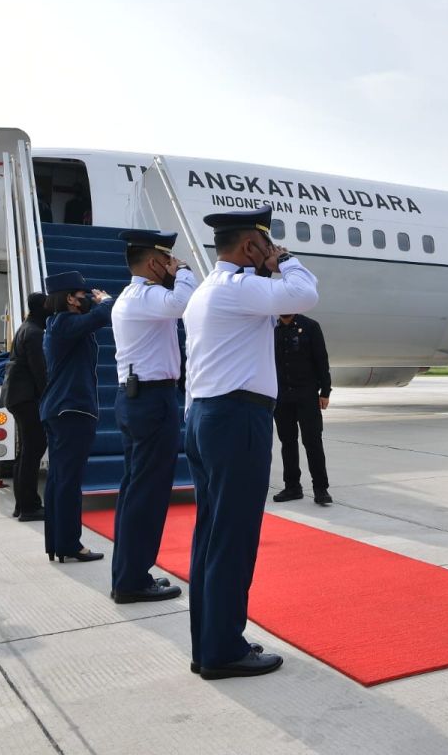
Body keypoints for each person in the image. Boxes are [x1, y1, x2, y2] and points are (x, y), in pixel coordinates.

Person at [182, 207, 318, 679]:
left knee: (213, 537)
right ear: (250, 248)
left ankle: (212, 642)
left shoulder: (208, 289)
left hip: (206, 414)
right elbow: (304, 294)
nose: (270, 253)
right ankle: (222, 651)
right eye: (266, 245)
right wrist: (288, 260)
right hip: (236, 418)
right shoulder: (238, 287)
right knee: (233, 539)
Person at [109, 229, 197, 604]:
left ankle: (129, 573)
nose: (171, 265)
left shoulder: (134, 297)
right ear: (153, 263)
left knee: (135, 490)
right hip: (151, 399)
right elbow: (188, 303)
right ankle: (132, 580)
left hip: (137, 397)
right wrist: (187, 271)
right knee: (147, 493)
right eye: (167, 259)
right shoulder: (146, 297)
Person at [40, 271, 113, 563]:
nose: (87, 299)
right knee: (68, 480)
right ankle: (70, 543)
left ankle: (58, 542)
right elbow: (102, 316)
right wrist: (105, 301)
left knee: (60, 479)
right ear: (70, 298)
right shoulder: (66, 323)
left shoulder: (58, 325)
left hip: (60, 409)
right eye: (83, 295)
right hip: (71, 410)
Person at [271, 312, 333, 506]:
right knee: (287, 442)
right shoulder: (271, 329)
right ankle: (292, 486)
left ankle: (320, 489)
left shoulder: (310, 326)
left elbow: (321, 359)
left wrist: (325, 391)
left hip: (306, 395)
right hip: (281, 396)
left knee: (312, 441)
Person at [0, 292, 50, 522]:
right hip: (26, 398)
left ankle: (23, 504)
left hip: (18, 397)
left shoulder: (27, 328)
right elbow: (40, 370)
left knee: (26, 453)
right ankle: (29, 506)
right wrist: (49, 396)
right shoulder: (35, 333)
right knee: (32, 450)